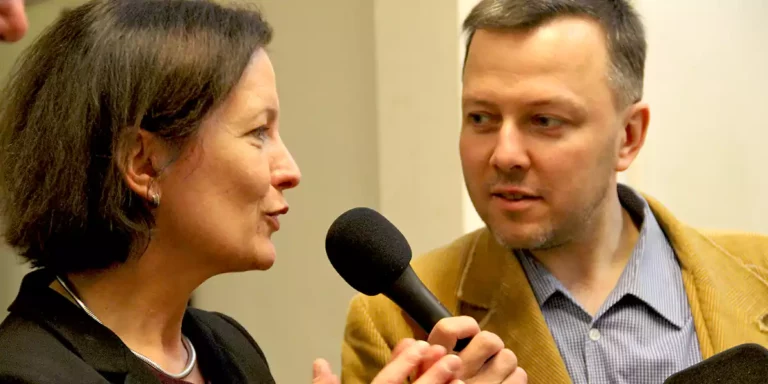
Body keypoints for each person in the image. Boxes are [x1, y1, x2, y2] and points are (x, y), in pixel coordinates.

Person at [0, 1, 527, 383]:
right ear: (143, 162)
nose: (290, 169)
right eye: (258, 133)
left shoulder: (228, 348)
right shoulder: (26, 370)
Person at [341, 0, 768, 383]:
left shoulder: (760, 276)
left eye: (544, 120)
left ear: (628, 137)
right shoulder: (391, 322)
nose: (505, 155)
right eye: (481, 118)